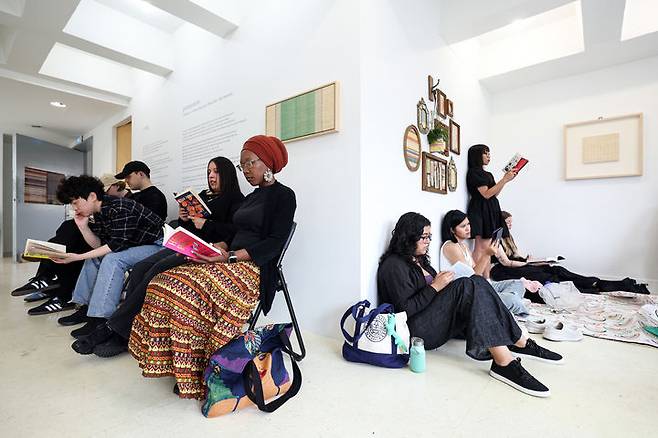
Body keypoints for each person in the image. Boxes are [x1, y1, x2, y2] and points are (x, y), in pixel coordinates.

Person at [129, 135, 296, 399]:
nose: (246, 170)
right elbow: (237, 232)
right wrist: (216, 247)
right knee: (162, 282)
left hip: (252, 268)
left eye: (250, 163)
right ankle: (180, 364)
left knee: (185, 290)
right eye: (242, 165)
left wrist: (230, 257)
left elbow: (274, 243)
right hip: (228, 259)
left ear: (267, 163)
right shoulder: (252, 197)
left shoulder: (284, 196)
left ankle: (201, 369)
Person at [71, 156, 245, 357]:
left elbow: (234, 232)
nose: (211, 176)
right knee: (140, 268)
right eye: (208, 172)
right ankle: (131, 327)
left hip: (207, 249)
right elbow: (190, 227)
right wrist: (184, 219)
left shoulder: (236, 199)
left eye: (216, 172)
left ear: (227, 174)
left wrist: (207, 225)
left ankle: (117, 331)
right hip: (187, 242)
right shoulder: (205, 196)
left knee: (154, 270)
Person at [378, 212, 563, 397]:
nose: (428, 242)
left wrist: (442, 284)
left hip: (432, 320)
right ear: (408, 237)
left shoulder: (419, 260)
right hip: (417, 333)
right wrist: (435, 286)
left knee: (476, 281)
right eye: (424, 237)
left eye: (429, 237)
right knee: (469, 284)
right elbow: (405, 310)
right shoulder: (394, 265)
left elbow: (430, 294)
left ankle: (518, 342)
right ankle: (505, 362)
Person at [52, 175, 165, 338]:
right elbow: (99, 246)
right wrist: (83, 227)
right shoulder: (100, 211)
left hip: (159, 246)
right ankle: (86, 308)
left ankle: (100, 319)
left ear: (92, 196)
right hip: (139, 245)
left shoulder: (120, 207)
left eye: (75, 202)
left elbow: (113, 247)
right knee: (94, 257)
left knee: (113, 259)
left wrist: (77, 256)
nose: (74, 208)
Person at [12, 175, 130, 316]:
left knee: (74, 238)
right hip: (105, 237)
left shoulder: (125, 204)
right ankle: (53, 283)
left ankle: (50, 277)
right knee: (70, 232)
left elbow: (119, 236)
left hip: (117, 241)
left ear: (116, 186)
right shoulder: (103, 207)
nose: (105, 194)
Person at [490, 211, 650, 296]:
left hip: (518, 265)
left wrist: (534, 260)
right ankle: (592, 287)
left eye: (511, 222)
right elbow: (506, 262)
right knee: (549, 276)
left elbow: (517, 256)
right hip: (504, 270)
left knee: (556, 269)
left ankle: (596, 283)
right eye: (508, 222)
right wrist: (527, 263)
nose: (511, 225)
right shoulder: (496, 237)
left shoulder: (508, 237)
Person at [439, 210, 541, 315]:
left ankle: (507, 302)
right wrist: (486, 254)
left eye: (468, 224)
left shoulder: (463, 246)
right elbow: (471, 278)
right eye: (463, 226)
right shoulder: (451, 246)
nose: (468, 228)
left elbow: (476, 270)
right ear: (452, 230)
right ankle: (513, 303)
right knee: (512, 300)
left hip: (478, 286)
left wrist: (487, 279)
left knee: (518, 284)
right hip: (468, 293)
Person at [466, 144, 516, 268]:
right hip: (481, 210)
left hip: (490, 210)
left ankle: (485, 276)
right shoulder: (475, 173)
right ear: (477, 156)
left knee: (487, 246)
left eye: (489, 154)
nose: (489, 156)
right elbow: (486, 194)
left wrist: (505, 180)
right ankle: (478, 276)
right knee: (482, 247)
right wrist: (504, 179)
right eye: (485, 153)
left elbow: (494, 193)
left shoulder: (487, 174)